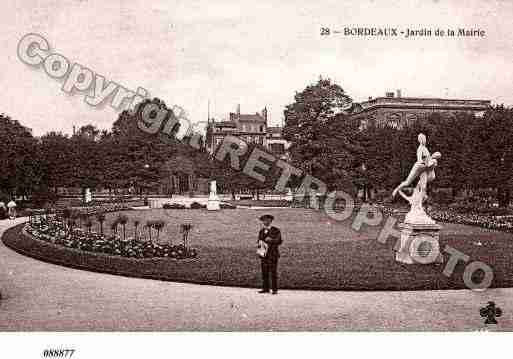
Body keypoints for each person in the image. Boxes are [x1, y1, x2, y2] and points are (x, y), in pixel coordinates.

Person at [257, 214, 282, 294]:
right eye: (264, 220)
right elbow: (259, 241)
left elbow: (279, 241)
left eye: (267, 220)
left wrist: (271, 240)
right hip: (264, 254)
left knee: (273, 272)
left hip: (273, 254)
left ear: (271, 221)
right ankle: (265, 288)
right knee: (264, 272)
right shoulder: (261, 231)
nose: (266, 222)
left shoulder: (276, 230)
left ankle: (274, 289)